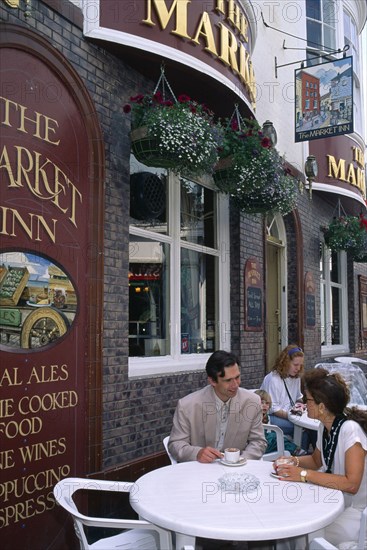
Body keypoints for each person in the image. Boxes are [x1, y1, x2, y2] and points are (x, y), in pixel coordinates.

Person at [274, 368, 367, 549]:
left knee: (301, 532)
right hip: (334, 500)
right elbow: (317, 461)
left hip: (356, 512)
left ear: (322, 407)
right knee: (289, 519)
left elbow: (351, 484)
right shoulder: (323, 427)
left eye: (307, 400)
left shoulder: (350, 430)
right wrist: (293, 462)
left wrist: (302, 474)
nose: (303, 403)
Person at [168, 350, 267, 463]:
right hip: (199, 470)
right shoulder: (187, 406)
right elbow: (175, 444)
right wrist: (197, 453)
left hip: (236, 472)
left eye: (237, 377)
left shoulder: (252, 401)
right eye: (228, 380)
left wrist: (240, 460)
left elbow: (258, 442)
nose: (235, 384)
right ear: (212, 381)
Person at [260, 344, 306, 442]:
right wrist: (293, 416)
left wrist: (300, 406)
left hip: (290, 415)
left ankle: (307, 454)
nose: (298, 368)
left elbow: (298, 397)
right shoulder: (273, 379)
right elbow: (273, 409)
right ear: (285, 362)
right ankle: (301, 454)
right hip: (270, 418)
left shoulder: (296, 377)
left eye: (300, 365)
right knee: (302, 428)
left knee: (309, 428)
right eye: (295, 365)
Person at [254, 389, 307, 456]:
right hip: (259, 444)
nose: (264, 405)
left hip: (268, 443)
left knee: (279, 438)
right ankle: (296, 450)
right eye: (262, 402)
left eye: (267, 403)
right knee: (275, 437)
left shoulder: (267, 417)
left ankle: (298, 452)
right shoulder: (253, 416)